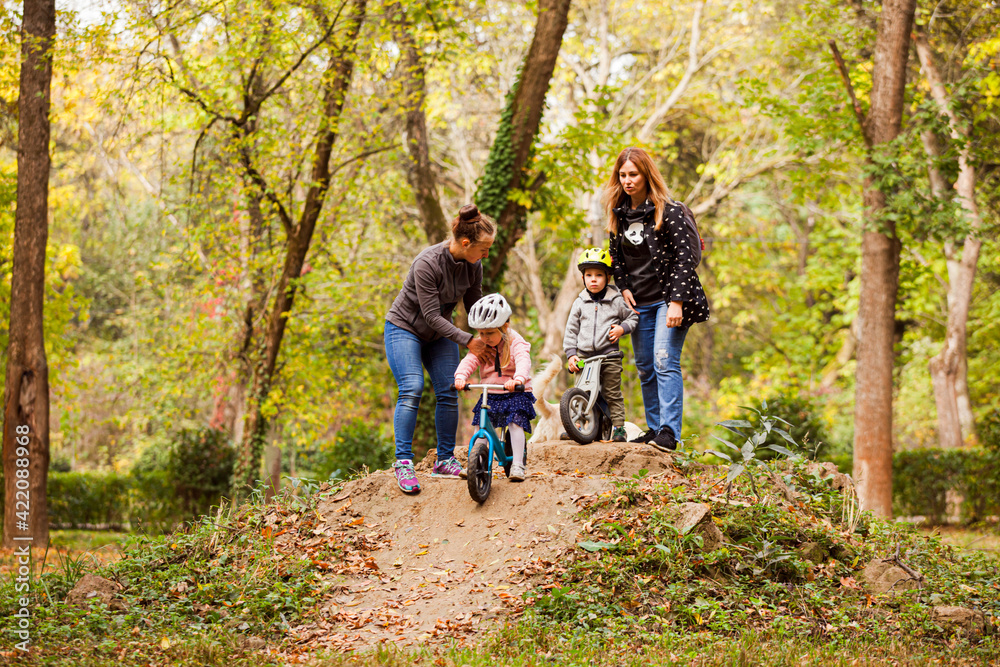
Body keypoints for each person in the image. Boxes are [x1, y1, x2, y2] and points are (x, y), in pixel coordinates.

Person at [604, 147, 709, 452]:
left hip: (668, 300)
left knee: (664, 361)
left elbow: (686, 257)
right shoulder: (618, 213)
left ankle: (669, 432)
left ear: (646, 175)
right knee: (646, 366)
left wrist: (676, 301)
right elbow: (616, 258)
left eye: (633, 174)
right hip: (639, 304)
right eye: (622, 175)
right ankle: (654, 428)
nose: (627, 180)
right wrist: (622, 286)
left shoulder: (670, 210)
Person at [384, 204, 495, 494]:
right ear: (465, 243)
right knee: (412, 387)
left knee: (449, 388)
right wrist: (468, 340)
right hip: (404, 329)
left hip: (439, 333)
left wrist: (494, 330)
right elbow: (431, 315)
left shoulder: (474, 265)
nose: (486, 255)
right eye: (483, 249)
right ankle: (403, 462)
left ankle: (444, 459)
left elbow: (474, 306)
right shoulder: (427, 263)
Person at [454, 294, 536, 482]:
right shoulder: (482, 343)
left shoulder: (515, 341)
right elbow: (470, 361)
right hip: (490, 392)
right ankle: (476, 463)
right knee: (479, 426)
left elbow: (523, 360)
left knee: (515, 423)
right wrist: (460, 377)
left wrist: (518, 379)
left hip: (515, 391)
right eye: (481, 333)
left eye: (489, 333)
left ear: (504, 326)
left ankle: (517, 464)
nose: (484, 338)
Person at [562, 247, 638, 442]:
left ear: (608, 277)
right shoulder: (580, 302)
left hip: (609, 356)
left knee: (611, 392)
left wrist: (622, 329)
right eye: (588, 275)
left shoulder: (616, 300)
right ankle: (578, 426)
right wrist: (571, 354)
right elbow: (571, 330)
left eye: (598, 275)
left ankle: (619, 428)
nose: (593, 279)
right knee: (582, 391)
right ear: (583, 278)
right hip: (584, 357)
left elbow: (633, 317)